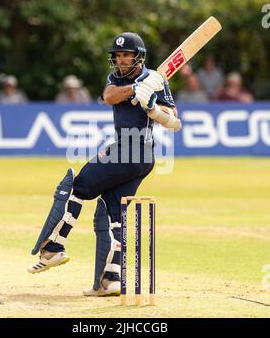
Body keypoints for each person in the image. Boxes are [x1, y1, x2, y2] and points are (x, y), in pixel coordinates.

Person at [28, 32, 182, 297]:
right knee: (113, 212)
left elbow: (175, 122)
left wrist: (152, 108)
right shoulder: (117, 79)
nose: (122, 61)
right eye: (118, 56)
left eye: (127, 56)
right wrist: (135, 89)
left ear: (138, 57)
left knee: (77, 186)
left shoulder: (157, 81)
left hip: (136, 149)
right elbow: (109, 96)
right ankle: (111, 279)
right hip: (132, 153)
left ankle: (53, 247)